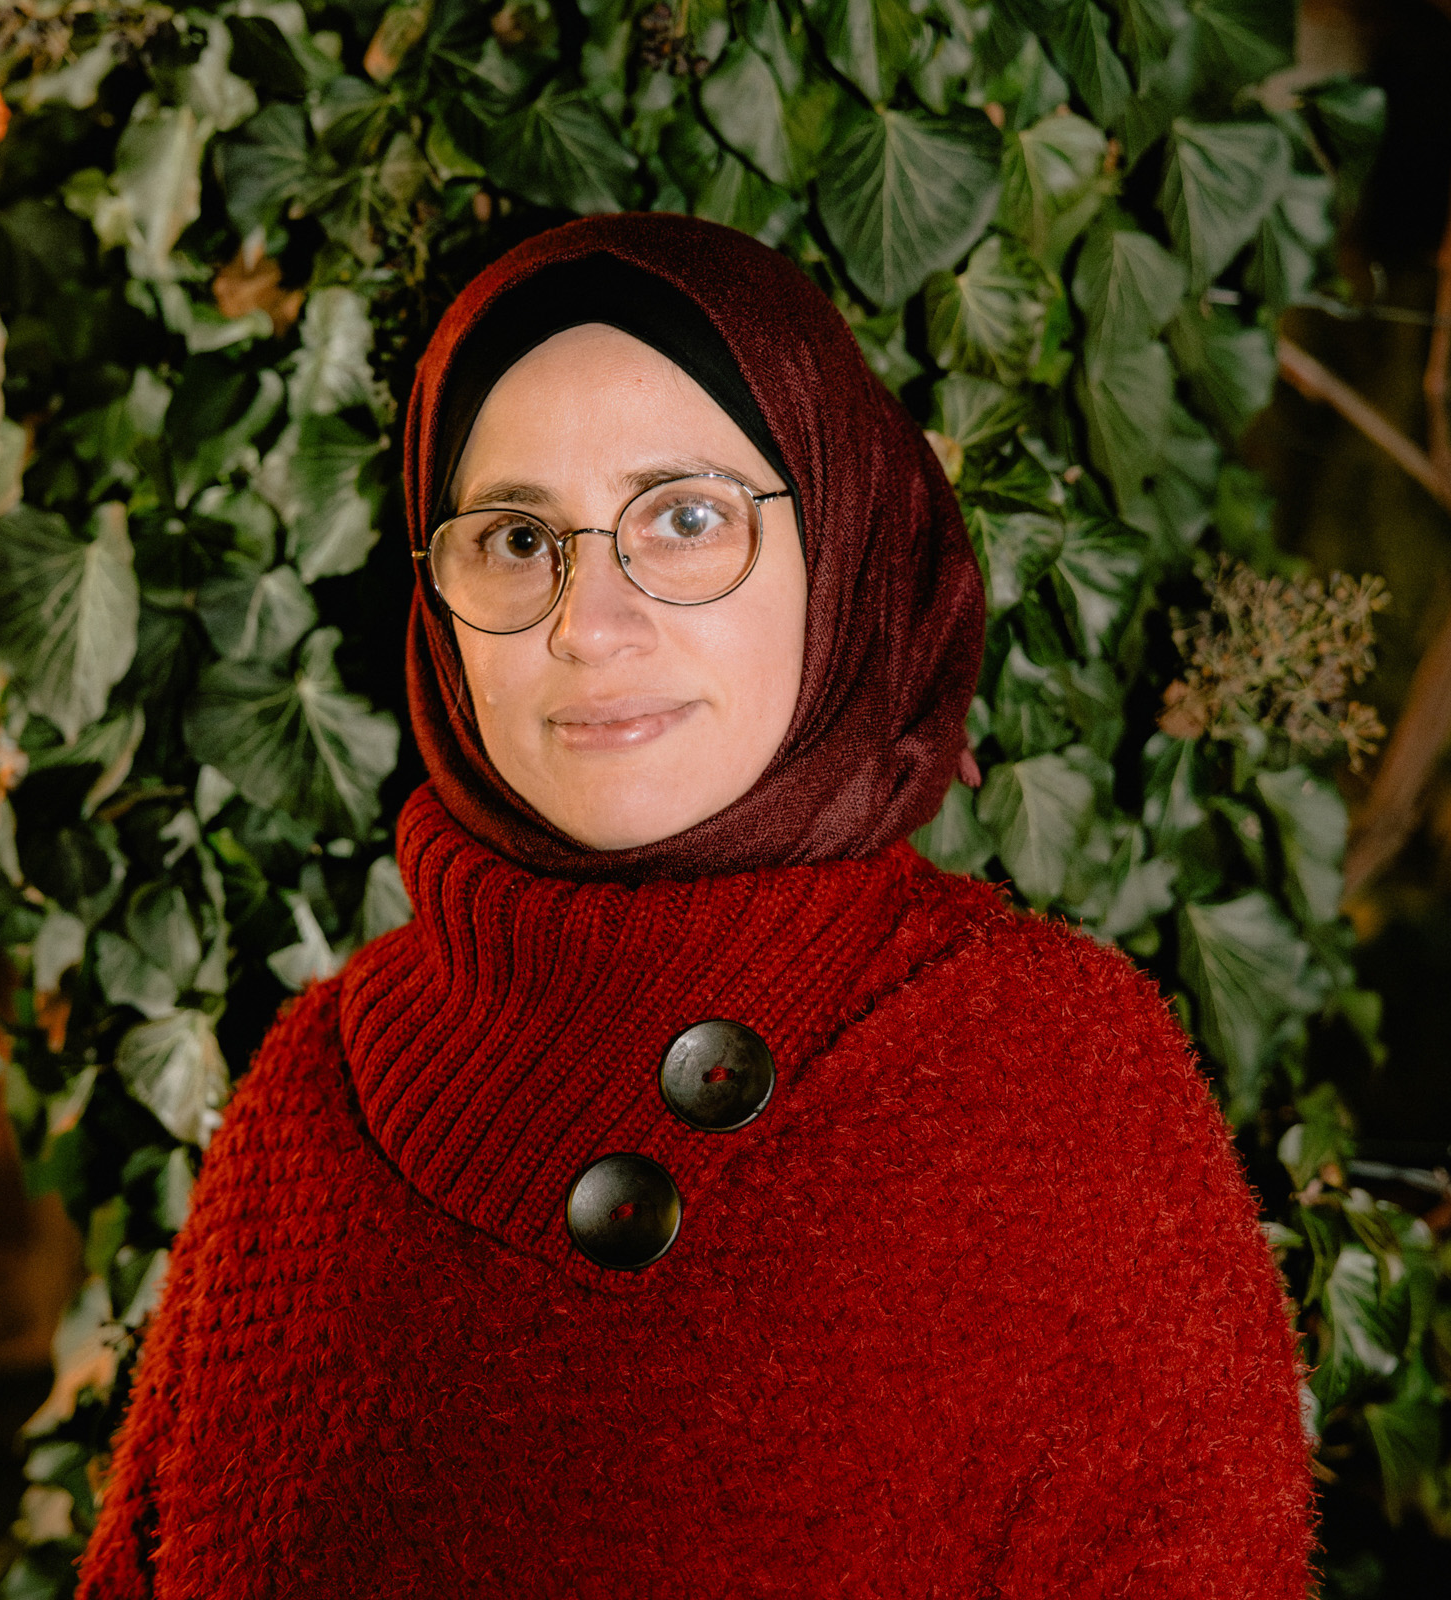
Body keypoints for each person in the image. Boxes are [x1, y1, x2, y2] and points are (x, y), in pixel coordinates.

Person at [77, 214, 1314, 1598]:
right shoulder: (321, 1086)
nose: (586, 624)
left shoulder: (1050, 1071)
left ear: (841, 547)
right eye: (515, 537)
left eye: (684, 518)